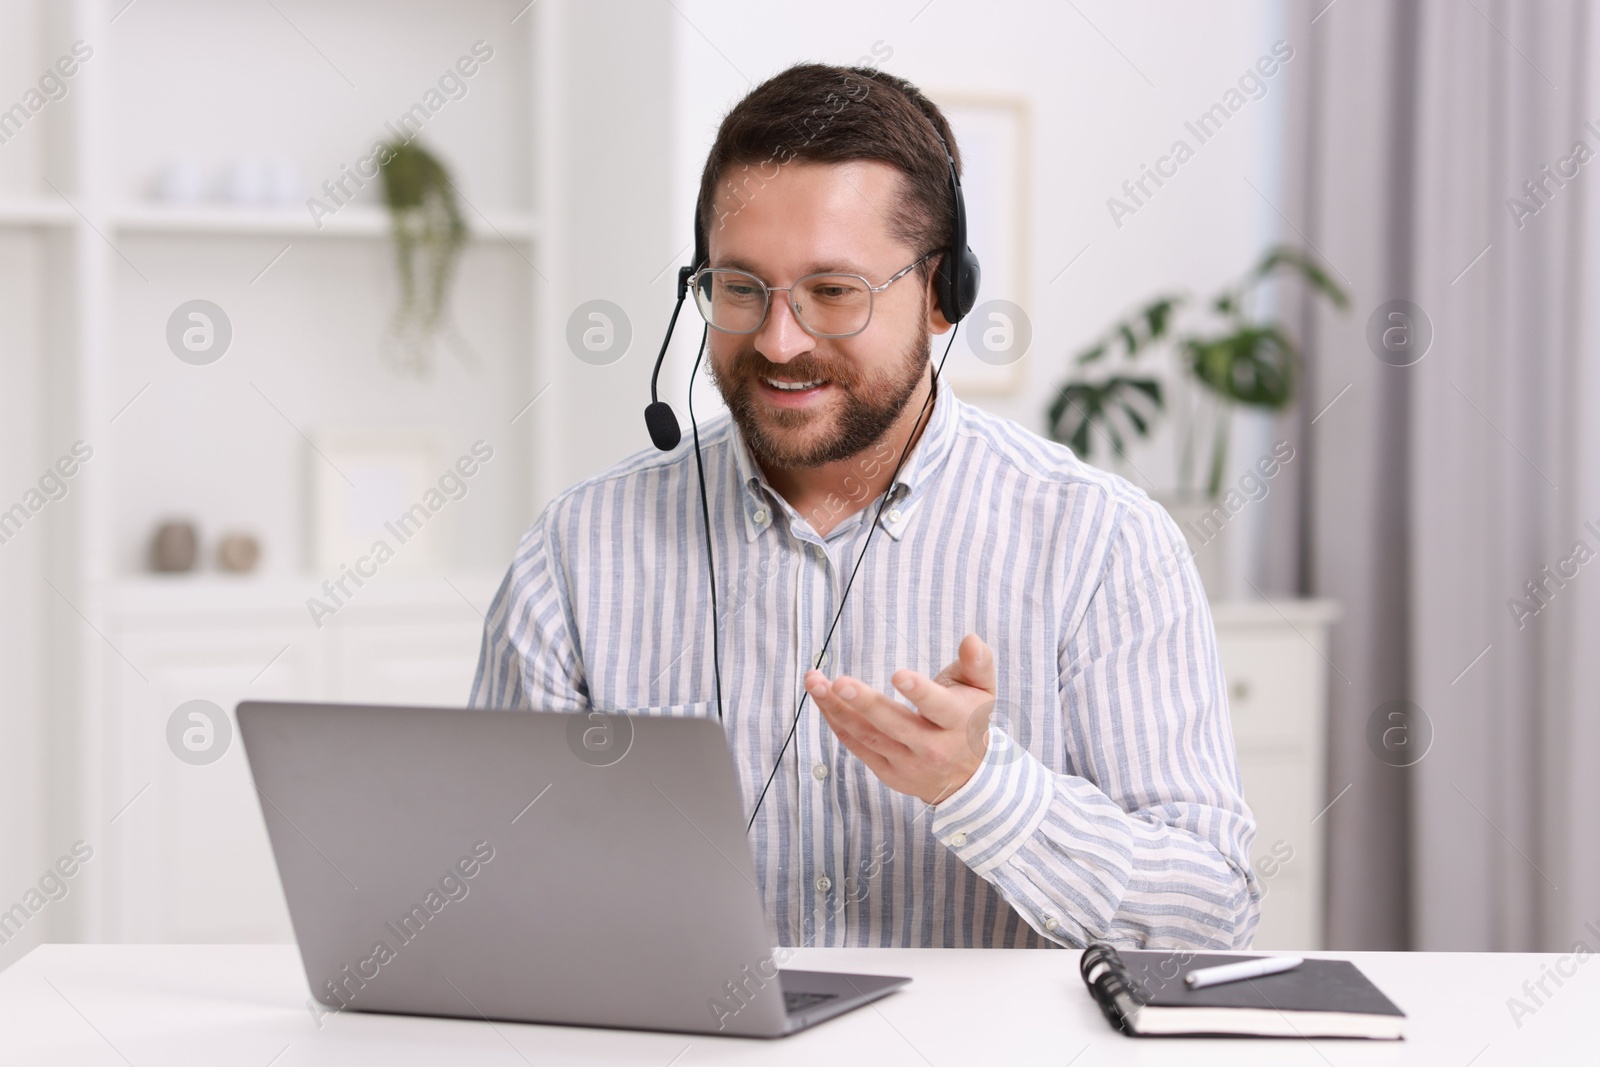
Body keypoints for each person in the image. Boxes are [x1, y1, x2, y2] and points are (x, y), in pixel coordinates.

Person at [471, 62, 1261, 950]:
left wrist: (981, 788)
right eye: (739, 289)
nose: (778, 339)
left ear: (939, 296)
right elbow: (493, 896)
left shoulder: (1102, 544)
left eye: (833, 293)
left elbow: (1212, 916)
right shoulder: (577, 554)